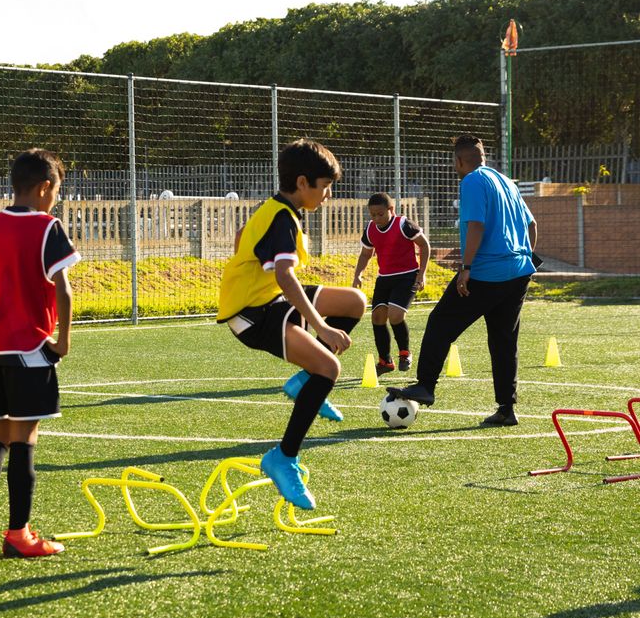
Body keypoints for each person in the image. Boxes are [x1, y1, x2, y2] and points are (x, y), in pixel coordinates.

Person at [218, 139, 366, 510]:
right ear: (303, 183)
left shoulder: (276, 208)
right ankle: (283, 457)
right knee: (329, 367)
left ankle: (304, 382)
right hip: (252, 313)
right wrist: (322, 327)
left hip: (269, 299)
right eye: (325, 186)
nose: (328, 195)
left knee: (355, 302)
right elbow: (285, 275)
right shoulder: (282, 218)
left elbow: (242, 240)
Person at [0, 148, 80, 559]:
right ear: (44, 188)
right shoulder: (48, 227)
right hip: (30, 351)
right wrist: (62, 340)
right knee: (25, 439)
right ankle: (19, 532)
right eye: (57, 190)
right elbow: (64, 288)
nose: (56, 199)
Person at [389, 134, 538, 426]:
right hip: (519, 271)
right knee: (504, 339)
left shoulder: (471, 181)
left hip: (486, 272)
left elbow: (477, 226)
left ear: (458, 161)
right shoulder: (507, 182)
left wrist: (466, 267)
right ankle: (507, 408)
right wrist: (527, 260)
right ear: (483, 156)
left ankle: (425, 386)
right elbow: (532, 224)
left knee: (440, 322)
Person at [352, 192, 429, 376]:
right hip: (384, 278)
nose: (376, 218)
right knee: (377, 317)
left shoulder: (403, 224)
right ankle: (385, 361)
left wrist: (421, 275)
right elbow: (365, 254)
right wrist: (358, 275)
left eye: (380, 214)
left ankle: (405, 353)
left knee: (395, 315)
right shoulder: (370, 228)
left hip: (407, 276)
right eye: (373, 215)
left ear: (391, 210)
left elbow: (424, 246)